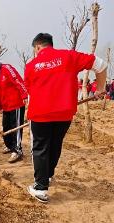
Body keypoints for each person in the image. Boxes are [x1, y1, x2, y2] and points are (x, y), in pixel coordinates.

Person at [25, 33, 107, 203]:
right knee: (55, 144)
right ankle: (47, 176)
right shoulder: (69, 56)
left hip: (40, 113)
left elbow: (30, 90)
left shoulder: (32, 65)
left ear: (38, 47)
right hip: (64, 113)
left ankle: (40, 188)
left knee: (40, 147)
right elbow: (101, 64)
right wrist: (100, 88)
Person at [0, 50, 28, 162]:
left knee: (16, 127)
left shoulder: (7, 68)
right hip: (6, 105)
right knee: (6, 127)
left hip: (16, 103)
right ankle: (9, 146)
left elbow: (18, 80)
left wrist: (24, 95)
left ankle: (17, 150)